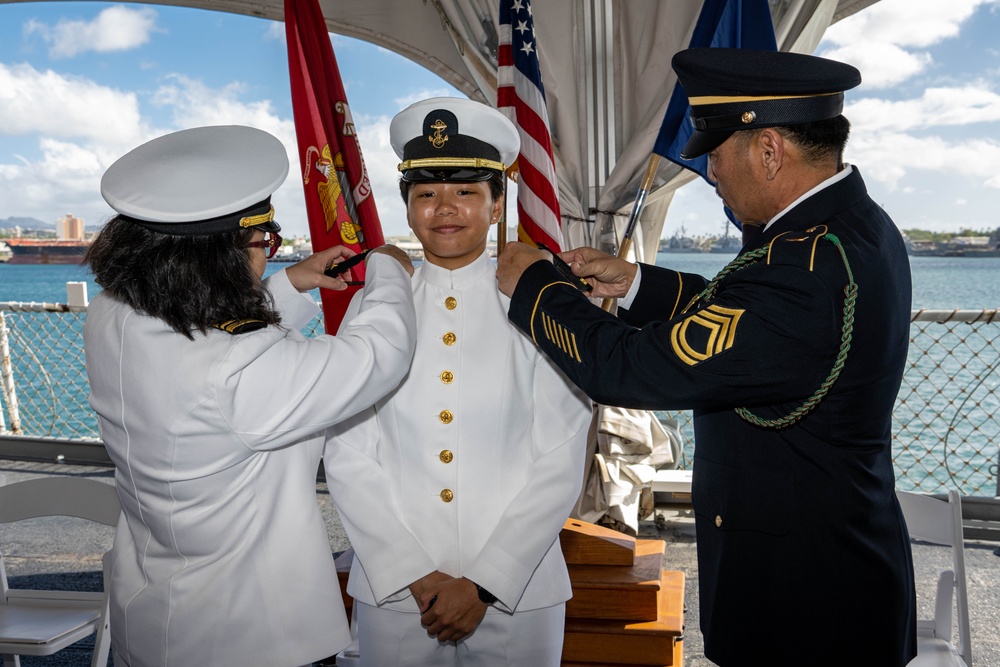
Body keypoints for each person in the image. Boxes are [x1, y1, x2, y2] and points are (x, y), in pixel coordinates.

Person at [496, 48, 917, 666]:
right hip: (833, 571)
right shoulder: (850, 229)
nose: (711, 172)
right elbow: (742, 322)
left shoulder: (805, 268)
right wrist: (636, 283)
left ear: (769, 150)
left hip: (806, 609)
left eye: (716, 155)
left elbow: (629, 368)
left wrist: (535, 286)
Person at [83, 124, 417, 667]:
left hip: (153, 612)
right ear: (220, 257)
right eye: (265, 243)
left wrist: (287, 285)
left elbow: (203, 337)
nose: (268, 254)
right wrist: (389, 270)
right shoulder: (239, 367)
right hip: (246, 636)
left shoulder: (113, 313)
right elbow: (380, 356)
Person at [324, 97, 592, 667]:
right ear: (408, 206)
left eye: (466, 192)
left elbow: (563, 451)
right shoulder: (374, 309)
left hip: (517, 596)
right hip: (399, 597)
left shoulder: (543, 304)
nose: (444, 209)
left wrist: (485, 582)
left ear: (497, 206)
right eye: (426, 193)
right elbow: (346, 452)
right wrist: (415, 574)